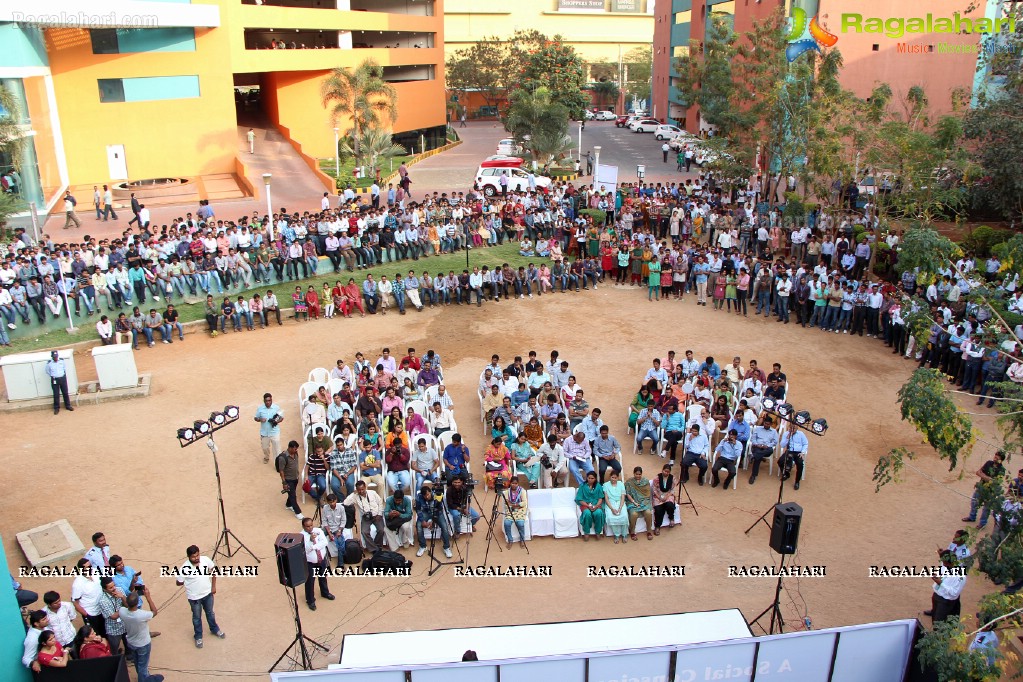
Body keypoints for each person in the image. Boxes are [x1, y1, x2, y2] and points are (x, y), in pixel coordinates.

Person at [174, 544, 225, 648]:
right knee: (197, 617)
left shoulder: (205, 560)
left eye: (197, 555)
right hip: (194, 598)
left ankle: (214, 629)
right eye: (193, 556)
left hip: (208, 594)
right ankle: (198, 637)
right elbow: (179, 582)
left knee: (210, 613)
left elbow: (214, 570)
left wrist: (213, 586)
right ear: (188, 557)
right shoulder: (185, 567)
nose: (196, 558)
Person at [120, 589, 165, 682]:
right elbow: (154, 612)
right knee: (143, 667)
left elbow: (126, 605)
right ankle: (144, 679)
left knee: (137, 663)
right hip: (143, 644)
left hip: (131, 642)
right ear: (137, 604)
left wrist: (122, 597)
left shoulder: (122, 611)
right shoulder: (141, 615)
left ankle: (144, 676)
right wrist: (148, 597)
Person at [963, 451, 1006, 529]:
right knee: (974, 502)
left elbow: (995, 482)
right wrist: (988, 478)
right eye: (995, 456)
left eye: (997, 457)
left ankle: (982, 523)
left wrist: (983, 476)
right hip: (981, 487)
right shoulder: (989, 463)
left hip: (990, 491)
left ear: (1001, 459)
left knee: (986, 508)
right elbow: (978, 472)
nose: (995, 458)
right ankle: (972, 517)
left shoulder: (1002, 470)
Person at [344, 480, 388, 553]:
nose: (361, 491)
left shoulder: (372, 493)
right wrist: (353, 493)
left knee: (381, 530)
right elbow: (346, 502)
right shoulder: (355, 496)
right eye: (359, 490)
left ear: (365, 487)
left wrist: (380, 514)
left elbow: (380, 503)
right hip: (366, 517)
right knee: (364, 532)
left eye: (362, 489)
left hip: (376, 515)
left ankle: (377, 546)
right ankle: (374, 549)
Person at [301, 516, 334, 610]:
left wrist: (314, 547)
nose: (310, 528)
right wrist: (311, 541)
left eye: (311, 525)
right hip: (310, 563)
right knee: (310, 582)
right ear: (303, 527)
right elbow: (306, 550)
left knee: (323, 577)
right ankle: (310, 600)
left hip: (321, 559)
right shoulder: (301, 536)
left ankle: (325, 593)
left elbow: (324, 542)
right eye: (307, 526)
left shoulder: (318, 530)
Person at [925, 551, 966, 624]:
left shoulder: (960, 575)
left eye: (944, 562)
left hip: (946, 601)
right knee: (935, 617)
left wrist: (941, 583)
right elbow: (941, 574)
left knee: (939, 621)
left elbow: (954, 593)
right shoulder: (945, 566)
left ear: (950, 563)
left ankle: (939, 634)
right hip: (937, 595)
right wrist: (936, 576)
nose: (943, 564)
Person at [415, 481, 452, 558]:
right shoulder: (419, 498)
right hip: (426, 512)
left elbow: (440, 509)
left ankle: (446, 547)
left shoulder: (436, 496)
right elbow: (418, 510)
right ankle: (422, 546)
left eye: (428, 494)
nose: (427, 497)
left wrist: (433, 521)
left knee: (444, 527)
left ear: (430, 492)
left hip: (437, 513)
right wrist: (422, 520)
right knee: (418, 526)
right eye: (425, 496)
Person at [747, 414, 779, 485]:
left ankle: (753, 456)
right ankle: (753, 475)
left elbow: (775, 442)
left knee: (770, 450)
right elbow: (753, 438)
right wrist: (757, 444)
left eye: (768, 424)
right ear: (763, 422)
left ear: (770, 424)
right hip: (757, 447)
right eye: (765, 423)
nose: (766, 425)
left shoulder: (774, 432)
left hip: (766, 449)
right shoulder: (758, 429)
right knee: (758, 457)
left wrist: (767, 446)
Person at [276, 440, 304, 519]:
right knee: (293, 495)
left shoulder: (295, 454)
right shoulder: (283, 457)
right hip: (288, 479)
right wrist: (284, 482)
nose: (296, 450)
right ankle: (298, 512)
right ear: (290, 448)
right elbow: (281, 471)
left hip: (295, 478)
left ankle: (288, 505)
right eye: (295, 449)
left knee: (291, 492)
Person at [626, 466, 655, 540]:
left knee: (648, 513)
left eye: (639, 474)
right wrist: (634, 502)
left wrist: (642, 503)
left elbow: (647, 494)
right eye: (636, 474)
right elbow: (628, 494)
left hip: (644, 502)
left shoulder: (645, 481)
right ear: (633, 473)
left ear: (641, 474)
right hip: (632, 502)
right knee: (634, 514)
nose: (638, 476)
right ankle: (632, 532)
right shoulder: (629, 482)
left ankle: (649, 531)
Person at [778, 421, 809, 489]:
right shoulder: (786, 434)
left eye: (794, 428)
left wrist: (802, 452)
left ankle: (797, 481)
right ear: (789, 427)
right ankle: (786, 473)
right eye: (791, 428)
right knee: (780, 461)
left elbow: (805, 443)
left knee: (800, 464)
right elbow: (782, 445)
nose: (792, 430)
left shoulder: (801, 434)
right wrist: (787, 438)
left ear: (797, 428)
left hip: (798, 452)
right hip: (789, 451)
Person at [255, 392, 283, 464]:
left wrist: (276, 422)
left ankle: (278, 464)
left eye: (269, 400)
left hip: (274, 432)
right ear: (264, 401)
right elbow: (256, 418)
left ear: (271, 400)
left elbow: (281, 418)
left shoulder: (276, 408)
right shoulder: (260, 408)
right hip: (264, 433)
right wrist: (260, 419)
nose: (268, 402)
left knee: (277, 450)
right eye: (266, 401)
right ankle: (266, 457)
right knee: (265, 448)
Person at [577, 470, 605, 540]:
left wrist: (596, 506)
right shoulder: (582, 486)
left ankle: (598, 532)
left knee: (599, 513)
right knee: (587, 513)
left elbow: (600, 498)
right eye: (589, 478)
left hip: (596, 505)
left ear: (595, 479)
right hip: (585, 505)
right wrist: (587, 506)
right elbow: (580, 499)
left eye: (592, 478)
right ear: (587, 478)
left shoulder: (598, 486)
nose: (590, 480)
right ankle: (586, 532)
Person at [45, 350, 74, 415]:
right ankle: (56, 408)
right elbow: (47, 371)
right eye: (54, 357)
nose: (55, 358)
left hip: (62, 378)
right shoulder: (49, 363)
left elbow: (64, 368)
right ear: (52, 357)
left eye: (56, 356)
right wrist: (53, 376)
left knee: (65, 392)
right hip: (55, 379)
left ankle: (68, 406)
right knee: (56, 394)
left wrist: (62, 375)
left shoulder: (62, 361)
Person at [603, 470, 629, 543]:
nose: (613, 479)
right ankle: (616, 535)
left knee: (624, 516)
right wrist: (612, 509)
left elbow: (623, 497)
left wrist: (620, 508)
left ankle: (624, 535)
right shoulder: (605, 485)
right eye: (612, 477)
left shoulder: (621, 484)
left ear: (618, 478)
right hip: (610, 503)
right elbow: (606, 498)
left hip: (620, 503)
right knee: (611, 517)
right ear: (610, 477)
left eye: (615, 478)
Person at [321, 493, 347, 565]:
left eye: (333, 501)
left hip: (337, 528)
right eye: (330, 502)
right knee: (319, 537)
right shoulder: (325, 508)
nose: (332, 504)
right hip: (328, 528)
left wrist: (339, 531)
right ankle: (323, 560)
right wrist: (329, 533)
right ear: (327, 502)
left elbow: (343, 521)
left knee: (340, 543)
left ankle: (341, 563)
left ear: (336, 500)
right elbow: (324, 521)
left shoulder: (341, 508)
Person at [503, 476, 529, 547]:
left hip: (520, 511)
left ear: (518, 484)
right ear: (510, 483)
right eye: (512, 483)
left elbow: (524, 503)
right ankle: (510, 540)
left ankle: (522, 540)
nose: (514, 485)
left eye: (516, 483)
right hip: (510, 511)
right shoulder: (506, 492)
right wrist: (517, 505)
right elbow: (507, 503)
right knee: (507, 523)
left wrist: (514, 505)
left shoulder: (522, 491)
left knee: (520, 524)